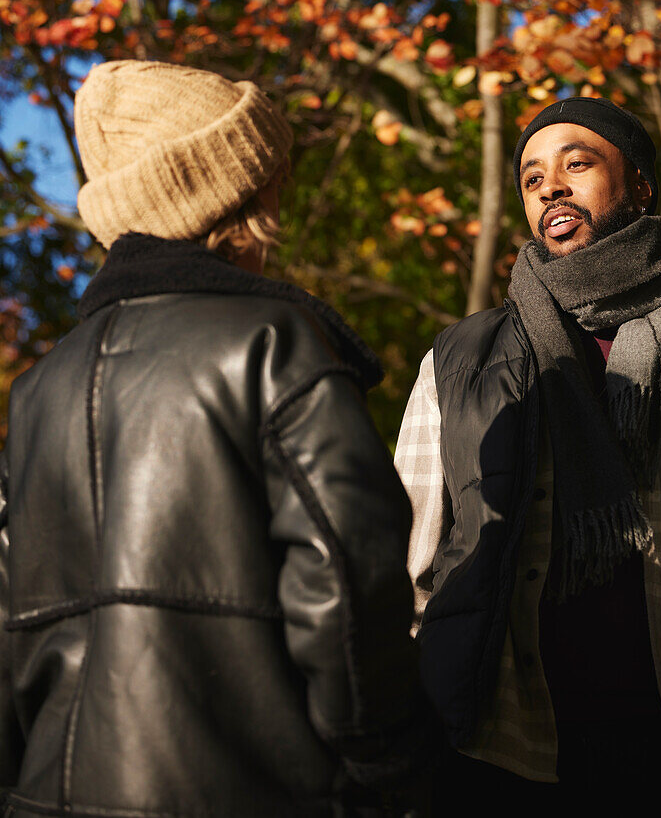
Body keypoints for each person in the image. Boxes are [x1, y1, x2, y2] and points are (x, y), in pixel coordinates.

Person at [0, 60, 432, 818]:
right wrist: (385, 764)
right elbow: (348, 583)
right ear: (230, 193)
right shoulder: (273, 344)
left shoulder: (38, 389)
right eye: (269, 179)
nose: (279, 201)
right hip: (250, 792)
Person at [395, 96, 661, 815]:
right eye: (532, 177)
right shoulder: (462, 360)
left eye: (578, 164)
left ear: (639, 184)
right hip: (508, 750)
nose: (551, 186)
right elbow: (413, 566)